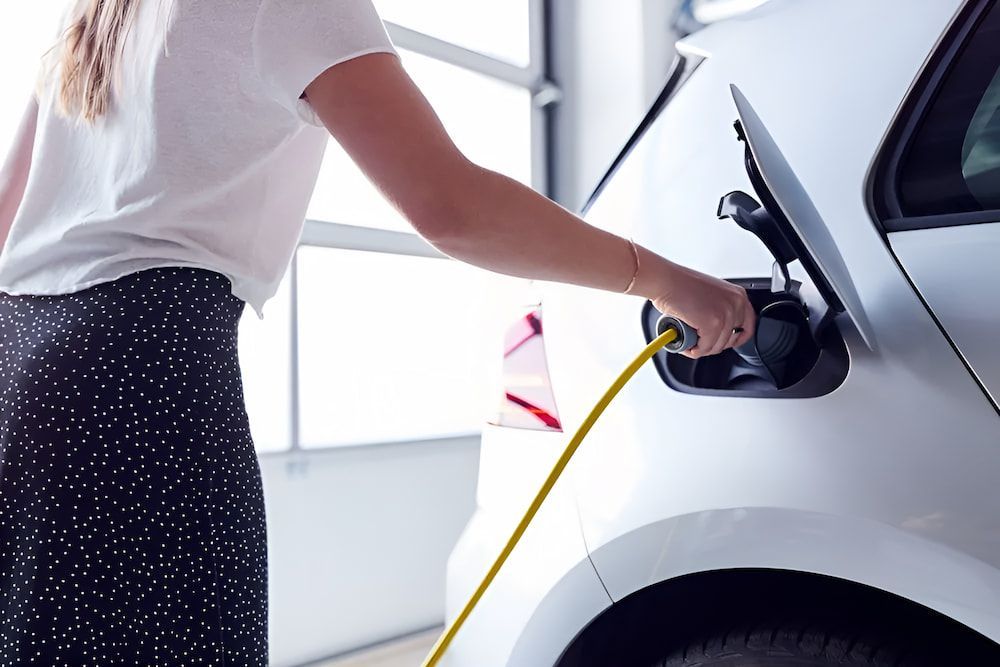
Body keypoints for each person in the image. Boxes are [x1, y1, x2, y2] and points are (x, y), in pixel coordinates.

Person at [0, 0, 756, 664]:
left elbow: (7, 215)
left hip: (20, 357)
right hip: (138, 371)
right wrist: (665, 279)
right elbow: (451, 206)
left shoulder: (96, 10)